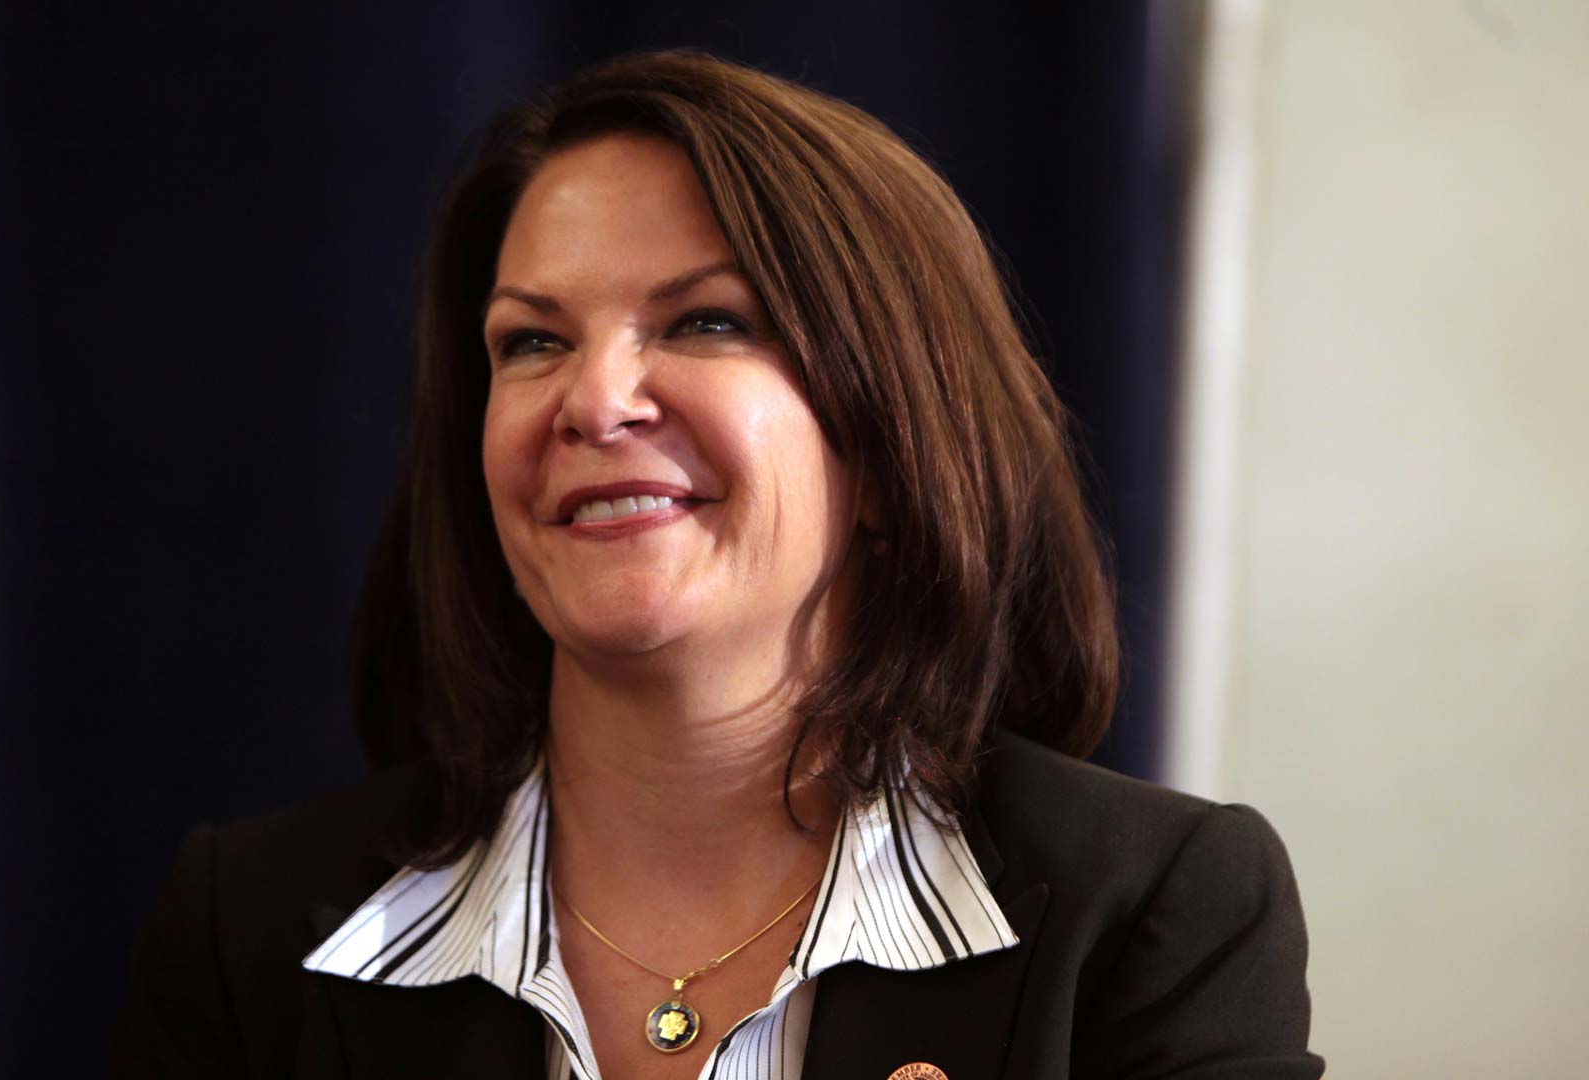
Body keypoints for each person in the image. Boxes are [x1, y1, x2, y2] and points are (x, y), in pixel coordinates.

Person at [112, 50, 1322, 1080]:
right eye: (531, 341)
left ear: (894, 441)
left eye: (705, 321)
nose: (592, 400)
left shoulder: (1154, 912)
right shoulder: (250, 930)